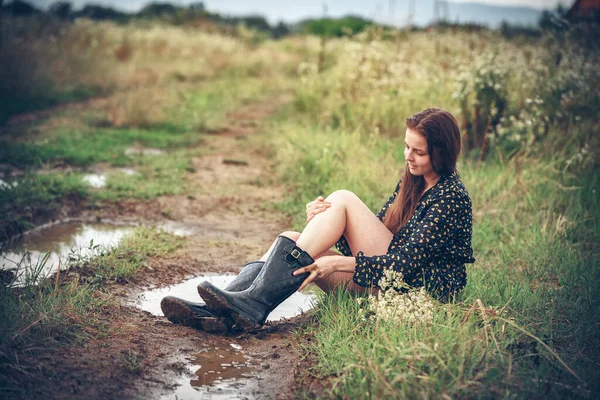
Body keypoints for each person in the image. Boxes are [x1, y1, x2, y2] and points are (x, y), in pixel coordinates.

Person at [161, 108, 475, 333]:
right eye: (407, 147)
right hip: (386, 282)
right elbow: (360, 239)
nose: (408, 157)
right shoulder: (414, 183)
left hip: (416, 294)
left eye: (418, 152)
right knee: (292, 237)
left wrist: (337, 264)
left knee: (344, 199)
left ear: (442, 153)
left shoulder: (450, 198)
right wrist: (321, 222)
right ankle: (225, 309)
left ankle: (249, 305)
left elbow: (405, 264)